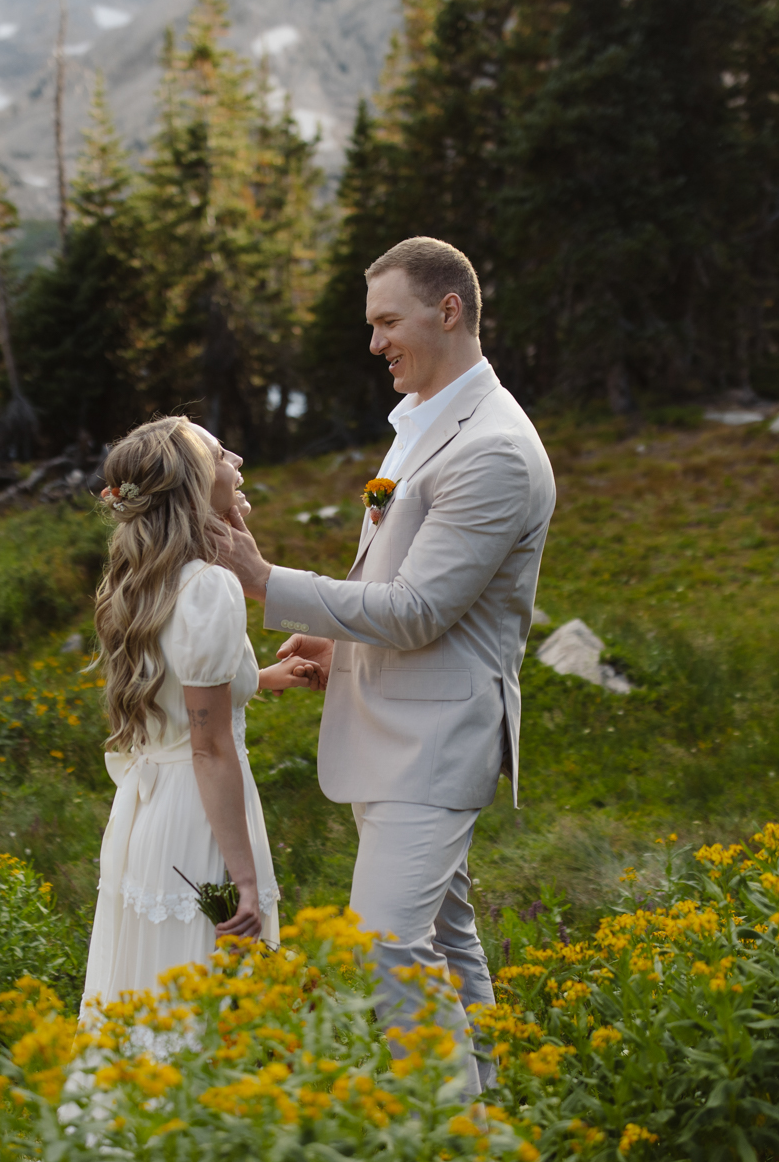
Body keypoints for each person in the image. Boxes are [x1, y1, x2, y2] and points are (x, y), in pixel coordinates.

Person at [209, 236, 555, 1097]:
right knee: (443, 933)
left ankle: (441, 1118)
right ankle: (481, 1112)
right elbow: (390, 574)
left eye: (387, 322)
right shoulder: (417, 425)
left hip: (435, 734)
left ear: (450, 311)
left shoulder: (493, 451)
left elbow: (418, 610)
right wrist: (334, 640)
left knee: (388, 937)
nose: (375, 344)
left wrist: (263, 581)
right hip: (393, 719)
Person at [80, 415, 322, 1021]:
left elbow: (181, 695)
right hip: (201, 821)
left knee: (153, 1006)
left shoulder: (138, 580)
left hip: (147, 818)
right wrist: (243, 880)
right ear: (193, 484)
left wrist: (261, 679)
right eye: (219, 453)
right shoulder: (211, 586)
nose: (236, 457)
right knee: (213, 1011)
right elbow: (208, 748)